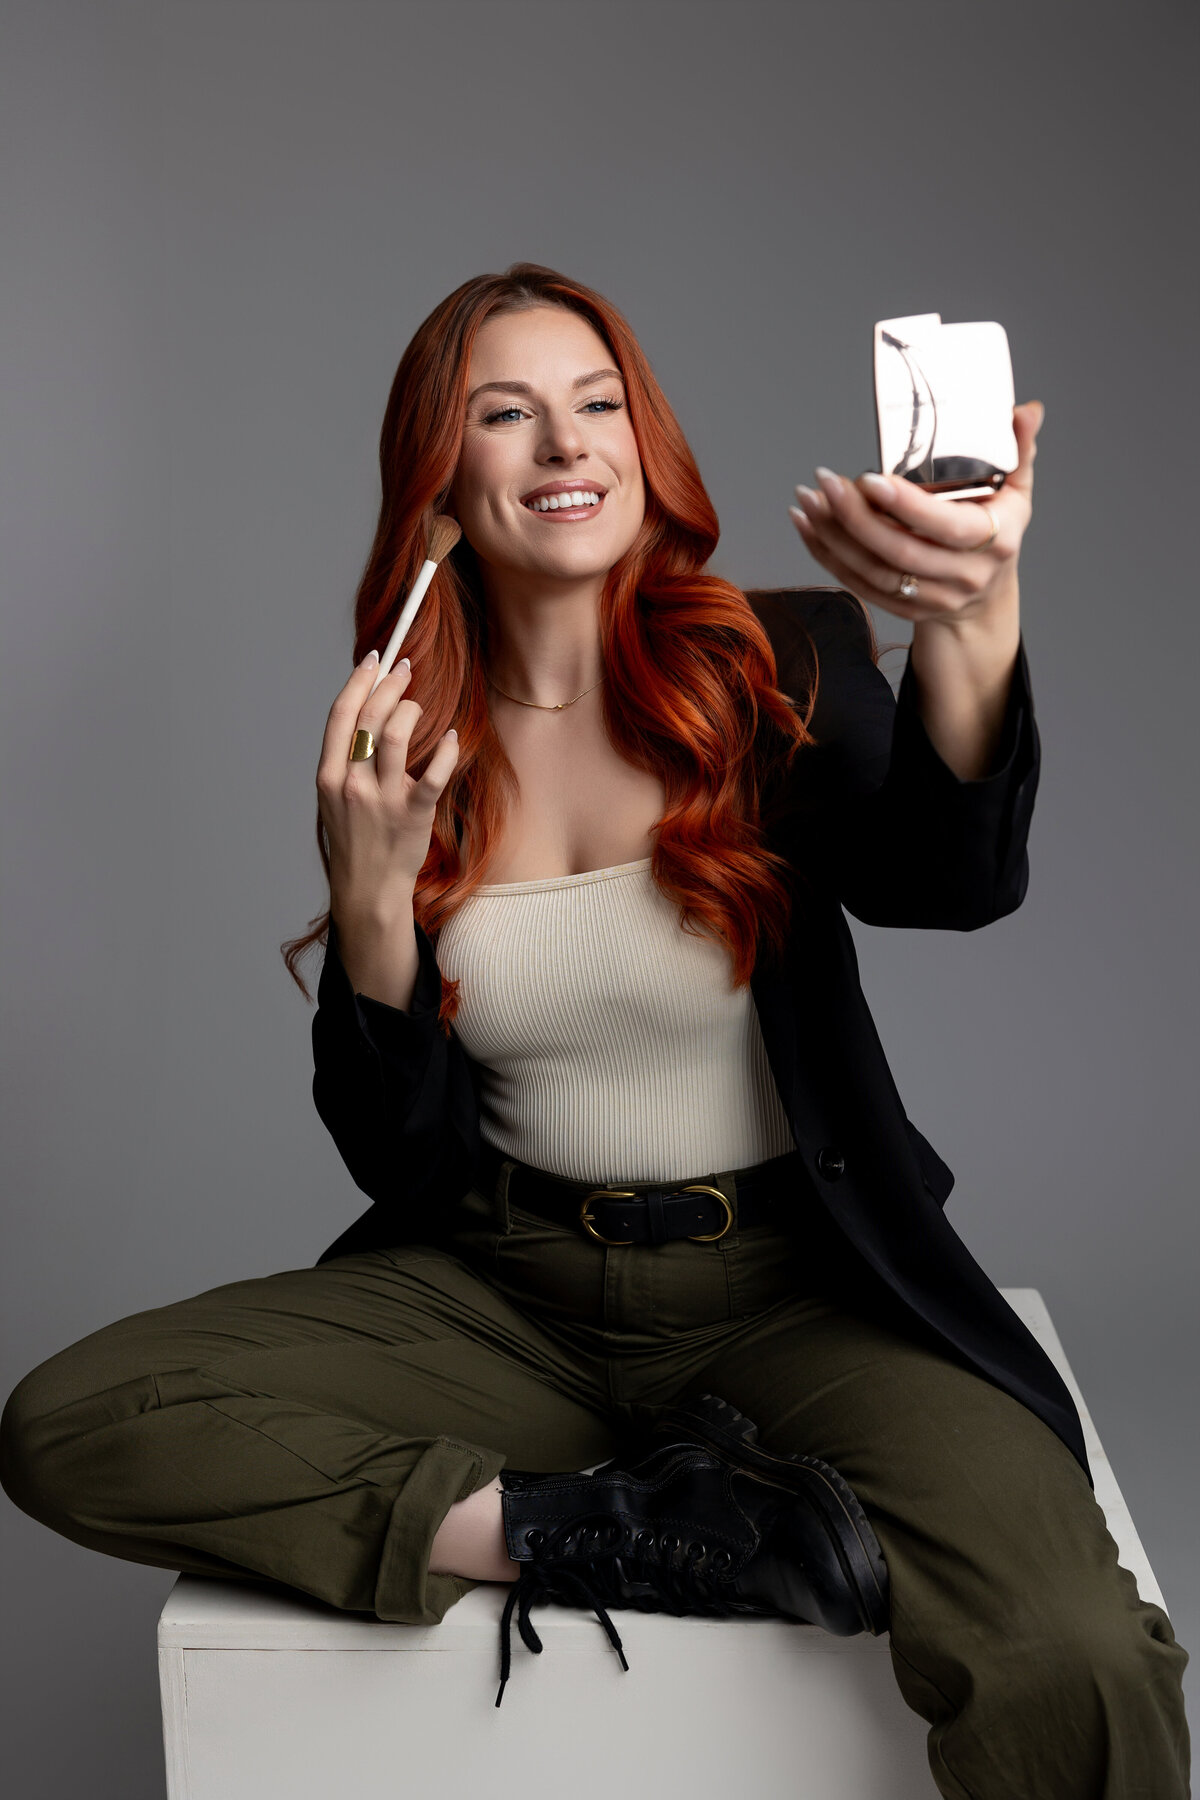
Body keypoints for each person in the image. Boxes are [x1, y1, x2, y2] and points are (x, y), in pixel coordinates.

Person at [0, 263, 1189, 1794]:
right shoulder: (403, 744)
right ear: (440, 487)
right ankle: (605, 1529)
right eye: (508, 414)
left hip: (798, 1286)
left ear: (644, 444)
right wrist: (370, 900)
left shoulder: (771, 663)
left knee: (1076, 1651)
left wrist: (974, 607)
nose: (567, 444)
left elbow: (953, 881)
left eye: (598, 403)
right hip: (512, 1291)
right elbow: (399, 1158)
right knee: (73, 1421)